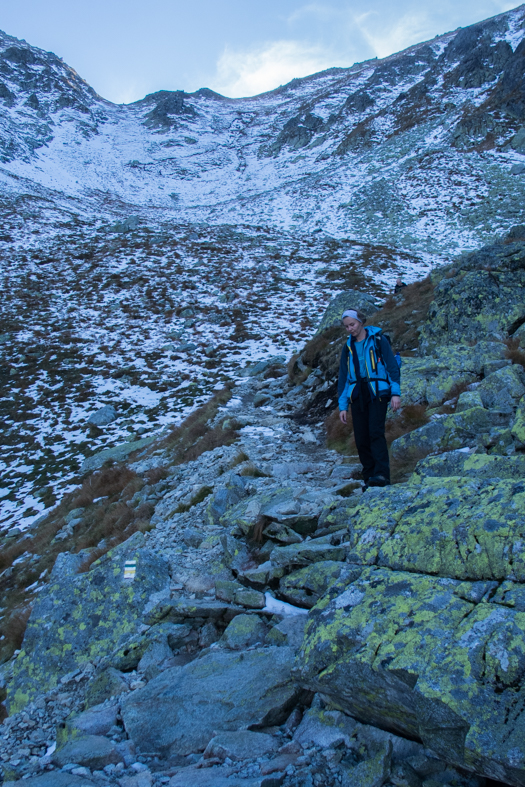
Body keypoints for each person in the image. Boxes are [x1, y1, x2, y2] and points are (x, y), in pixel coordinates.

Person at [337, 309, 401, 488]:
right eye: (347, 326)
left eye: (353, 324)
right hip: (357, 394)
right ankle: (369, 477)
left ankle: (381, 475)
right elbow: (343, 378)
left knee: (375, 432)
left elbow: (392, 368)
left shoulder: (379, 340)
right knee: (361, 438)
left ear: (361, 322)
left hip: (378, 392)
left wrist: (395, 393)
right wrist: (343, 406)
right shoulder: (347, 348)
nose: (350, 329)